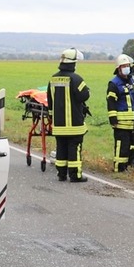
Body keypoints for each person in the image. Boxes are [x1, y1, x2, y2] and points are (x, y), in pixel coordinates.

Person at [47, 48, 91, 182]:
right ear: (73, 63)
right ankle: (75, 175)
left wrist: (51, 117)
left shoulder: (53, 79)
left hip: (59, 124)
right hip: (74, 124)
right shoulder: (76, 79)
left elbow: (49, 100)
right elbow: (84, 95)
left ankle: (61, 174)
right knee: (74, 149)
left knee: (61, 148)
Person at [106, 54, 134, 173]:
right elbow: (111, 102)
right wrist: (113, 118)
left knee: (128, 146)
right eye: (124, 66)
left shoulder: (130, 81)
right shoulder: (114, 83)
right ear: (118, 68)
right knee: (121, 146)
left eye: (128, 66)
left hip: (131, 122)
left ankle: (124, 167)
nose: (127, 68)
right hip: (120, 123)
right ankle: (119, 168)